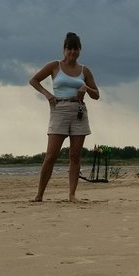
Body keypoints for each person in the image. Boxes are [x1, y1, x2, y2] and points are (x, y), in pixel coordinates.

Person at [29, 32, 100, 202]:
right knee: (51, 155)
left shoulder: (84, 70)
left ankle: (72, 195)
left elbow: (96, 95)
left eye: (76, 49)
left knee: (75, 156)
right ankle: (39, 195)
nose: (73, 52)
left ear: (80, 50)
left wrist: (86, 88)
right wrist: (48, 95)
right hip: (59, 109)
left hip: (79, 110)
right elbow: (34, 80)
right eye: (70, 49)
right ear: (64, 49)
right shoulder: (55, 66)